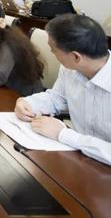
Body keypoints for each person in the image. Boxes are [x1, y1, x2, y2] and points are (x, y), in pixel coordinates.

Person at [14, 14, 111, 166]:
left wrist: (63, 134)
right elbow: (57, 98)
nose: (52, 54)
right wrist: (28, 103)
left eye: (53, 50)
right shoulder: (70, 68)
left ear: (76, 57)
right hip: (79, 158)